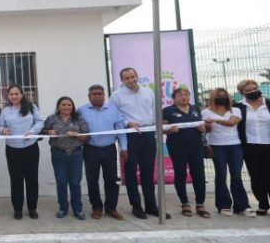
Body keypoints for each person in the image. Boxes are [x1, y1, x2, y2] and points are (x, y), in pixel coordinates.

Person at [110, 68, 170, 220]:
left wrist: (158, 128)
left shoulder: (148, 92)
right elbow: (114, 115)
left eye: (132, 76)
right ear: (122, 80)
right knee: (131, 172)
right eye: (126, 78)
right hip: (130, 135)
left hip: (148, 134)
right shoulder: (116, 96)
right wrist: (127, 123)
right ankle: (136, 207)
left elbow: (155, 111)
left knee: (148, 171)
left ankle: (151, 206)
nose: (130, 80)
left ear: (137, 76)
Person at [202, 88, 256, 217]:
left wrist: (215, 120)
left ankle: (242, 206)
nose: (222, 97)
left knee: (236, 175)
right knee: (221, 175)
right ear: (213, 98)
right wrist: (207, 125)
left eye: (224, 95)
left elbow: (232, 123)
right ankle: (223, 205)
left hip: (235, 146)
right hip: (216, 146)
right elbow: (207, 130)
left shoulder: (235, 110)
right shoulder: (205, 112)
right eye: (219, 95)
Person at [77, 85, 128, 220]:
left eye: (100, 93)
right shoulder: (81, 110)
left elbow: (121, 130)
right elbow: (75, 127)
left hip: (110, 149)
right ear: (89, 96)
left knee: (111, 180)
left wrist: (124, 147)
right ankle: (97, 208)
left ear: (104, 96)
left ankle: (111, 207)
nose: (97, 96)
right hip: (90, 149)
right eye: (94, 94)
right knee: (92, 180)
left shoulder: (113, 110)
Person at [162, 88, 210, 218]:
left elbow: (204, 126)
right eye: (180, 95)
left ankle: (200, 204)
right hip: (177, 147)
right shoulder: (167, 111)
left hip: (196, 146)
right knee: (181, 173)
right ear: (174, 98)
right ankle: (185, 203)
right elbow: (162, 129)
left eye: (186, 94)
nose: (184, 97)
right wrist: (169, 130)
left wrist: (203, 128)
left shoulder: (196, 109)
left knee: (199, 174)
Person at [0, 84, 44, 220]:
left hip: (31, 147)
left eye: (16, 94)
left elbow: (40, 122)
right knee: (16, 180)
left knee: (32, 179)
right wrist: (3, 131)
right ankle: (17, 209)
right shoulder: (6, 111)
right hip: (13, 149)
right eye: (11, 94)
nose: (14, 96)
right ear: (8, 96)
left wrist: (32, 131)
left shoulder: (31, 107)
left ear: (22, 94)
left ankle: (32, 208)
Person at [43, 96, 89, 220]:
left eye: (69, 105)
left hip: (76, 154)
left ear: (72, 107)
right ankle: (63, 208)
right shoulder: (51, 119)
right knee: (61, 182)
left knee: (75, 182)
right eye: (63, 105)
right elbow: (43, 131)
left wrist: (76, 134)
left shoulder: (78, 119)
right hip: (58, 154)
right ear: (58, 106)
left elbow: (86, 137)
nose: (66, 107)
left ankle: (77, 209)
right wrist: (48, 132)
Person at [235, 79, 270, 215]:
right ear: (242, 93)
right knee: (256, 176)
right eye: (248, 90)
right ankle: (262, 203)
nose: (253, 91)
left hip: (268, 145)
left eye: (255, 88)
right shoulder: (239, 107)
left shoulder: (268, 103)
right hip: (249, 146)